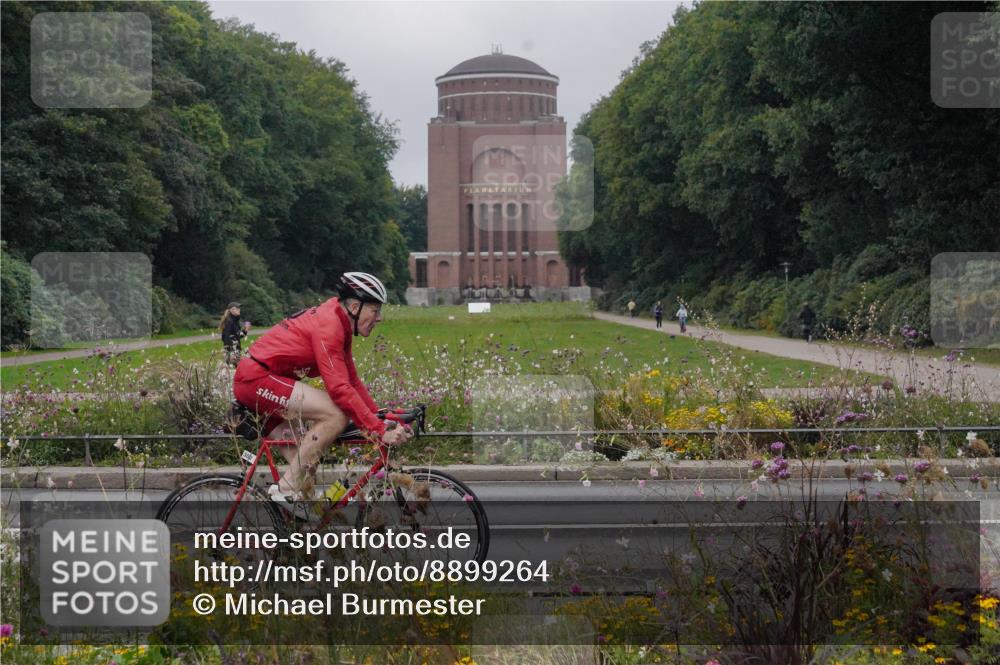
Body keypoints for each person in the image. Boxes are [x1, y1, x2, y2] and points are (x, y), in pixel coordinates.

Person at [231, 272, 412, 512]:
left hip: (269, 381)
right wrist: (378, 430)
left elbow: (352, 381)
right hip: (256, 379)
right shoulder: (330, 326)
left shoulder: (340, 324)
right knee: (335, 414)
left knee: (307, 465)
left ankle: (292, 542)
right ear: (355, 306)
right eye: (375, 311)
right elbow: (338, 389)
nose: (379, 318)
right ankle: (284, 491)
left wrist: (380, 415)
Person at [219, 302, 250, 367]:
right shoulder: (229, 321)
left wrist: (245, 330)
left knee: (237, 370)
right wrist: (230, 353)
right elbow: (225, 338)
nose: (239, 309)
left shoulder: (235, 321)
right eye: (237, 308)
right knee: (233, 371)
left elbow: (237, 336)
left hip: (236, 350)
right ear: (231, 310)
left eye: (239, 308)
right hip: (232, 352)